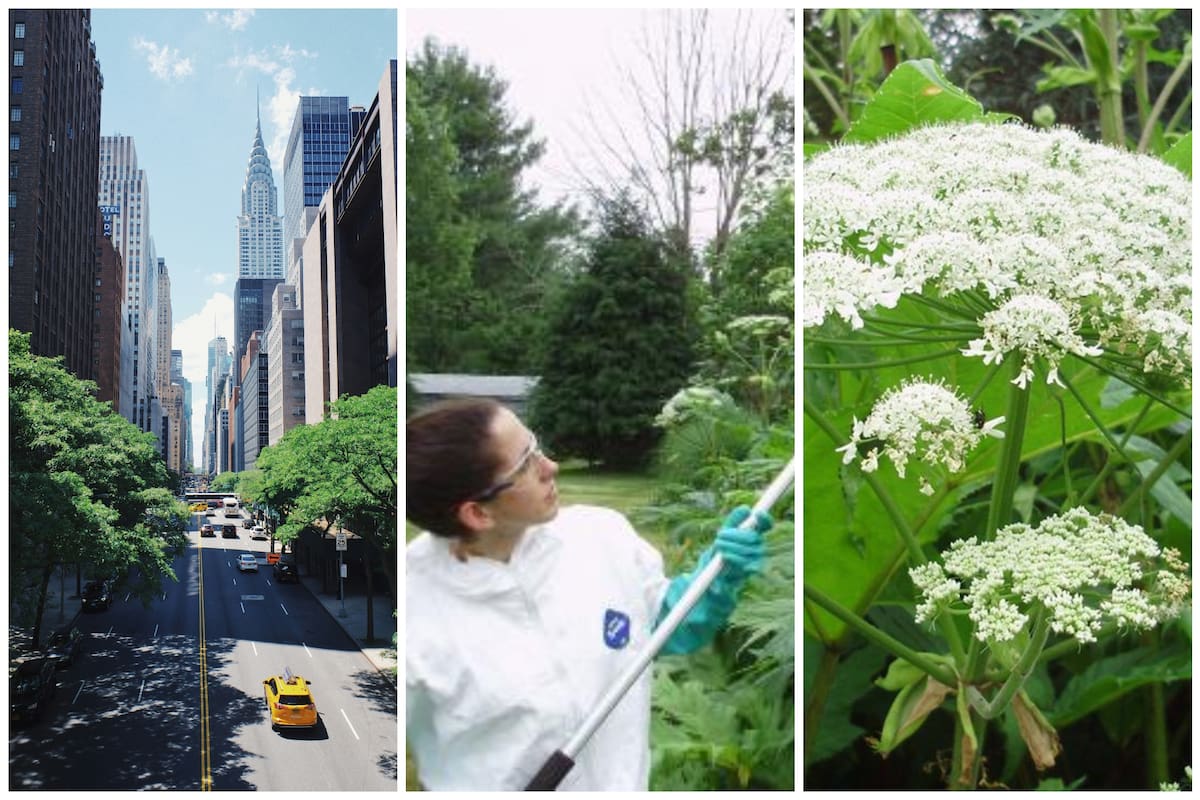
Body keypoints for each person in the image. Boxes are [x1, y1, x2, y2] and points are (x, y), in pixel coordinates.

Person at [405, 398, 773, 791]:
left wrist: (716, 580)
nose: (551, 467)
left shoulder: (600, 536)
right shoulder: (415, 612)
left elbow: (664, 626)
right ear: (478, 514)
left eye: (535, 445)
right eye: (526, 464)